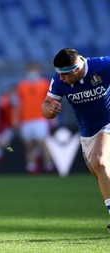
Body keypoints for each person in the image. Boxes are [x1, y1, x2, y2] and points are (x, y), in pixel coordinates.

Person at [42, 48, 110, 232]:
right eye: (59, 75)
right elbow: (46, 105)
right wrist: (50, 109)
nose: (61, 79)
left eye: (65, 75)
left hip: (108, 123)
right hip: (87, 132)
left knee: (100, 162)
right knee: (99, 171)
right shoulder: (58, 79)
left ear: (77, 68)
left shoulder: (103, 65)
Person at [14, 62, 54, 175]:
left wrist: (52, 117)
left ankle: (48, 165)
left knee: (42, 142)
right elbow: (18, 103)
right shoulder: (22, 86)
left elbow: (50, 101)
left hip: (41, 118)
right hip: (26, 119)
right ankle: (31, 166)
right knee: (29, 144)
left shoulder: (45, 84)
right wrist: (16, 118)